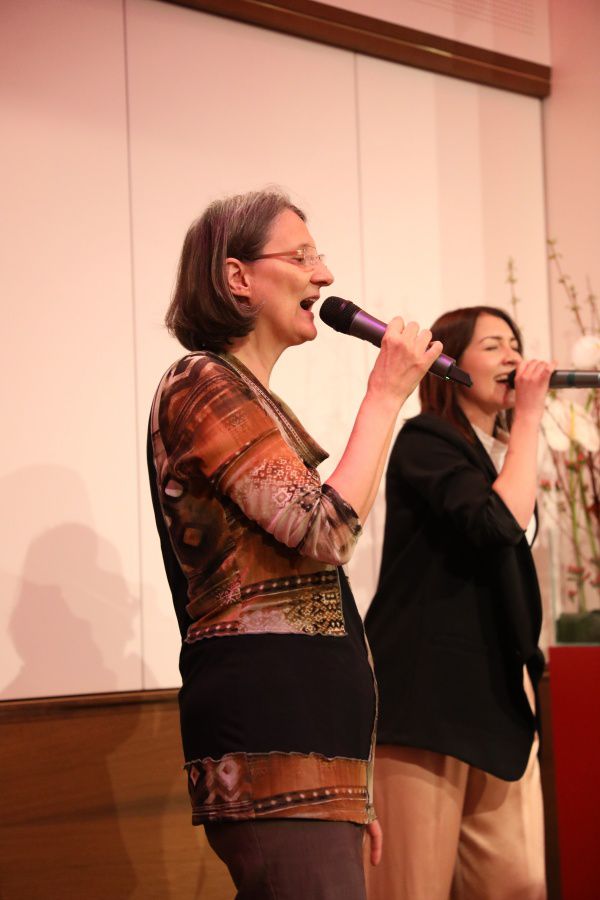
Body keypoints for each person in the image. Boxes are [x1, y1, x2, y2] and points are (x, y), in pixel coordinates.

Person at [147, 188, 442, 899]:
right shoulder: (201, 383)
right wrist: (384, 395)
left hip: (311, 754)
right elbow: (325, 529)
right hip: (272, 745)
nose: (325, 275)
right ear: (237, 276)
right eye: (302, 255)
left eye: (320, 256)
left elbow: (316, 572)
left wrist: (351, 783)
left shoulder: (248, 396)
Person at [364, 306, 553, 900]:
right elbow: (497, 523)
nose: (513, 356)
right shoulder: (426, 439)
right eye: (493, 345)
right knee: (412, 885)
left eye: (515, 343)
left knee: (518, 881)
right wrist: (529, 416)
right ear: (449, 364)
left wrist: (522, 431)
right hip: (429, 697)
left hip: (495, 695)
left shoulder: (499, 452)